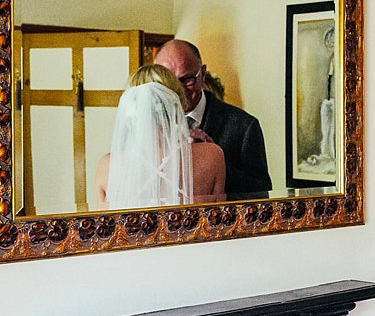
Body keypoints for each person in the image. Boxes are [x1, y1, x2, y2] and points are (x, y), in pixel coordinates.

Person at [95, 64, 225, 209]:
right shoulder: (212, 156)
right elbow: (217, 223)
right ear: (178, 103)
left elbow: (106, 228)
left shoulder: (107, 166)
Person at [154, 39, 273, 198]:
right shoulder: (148, 123)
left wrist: (215, 160)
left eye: (187, 79)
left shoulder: (243, 126)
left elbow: (261, 194)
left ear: (202, 73)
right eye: (169, 82)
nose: (178, 90)